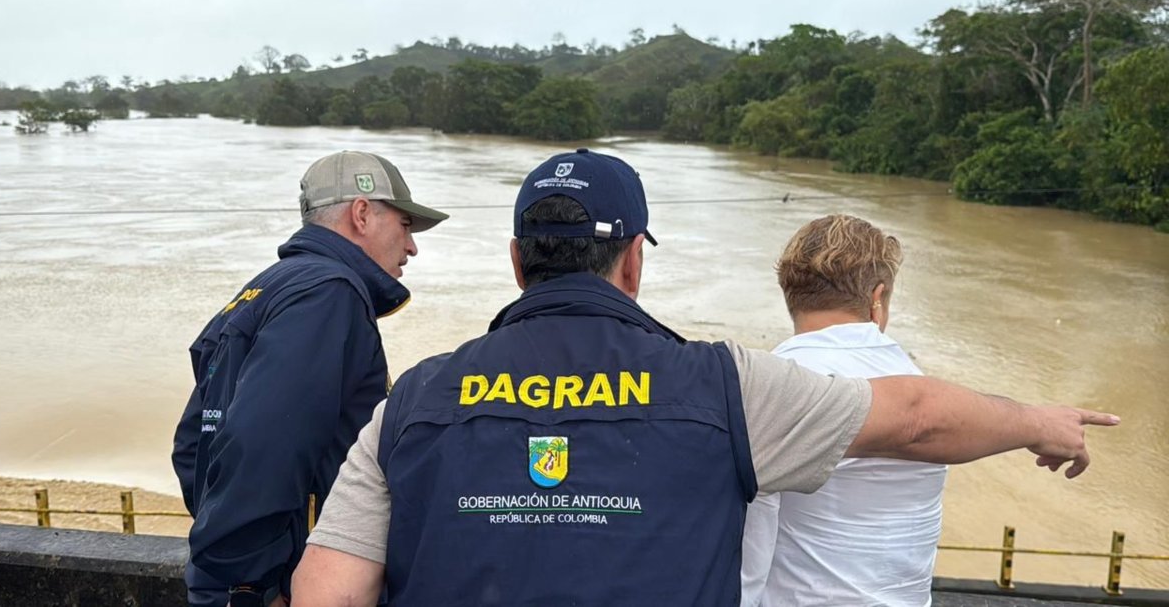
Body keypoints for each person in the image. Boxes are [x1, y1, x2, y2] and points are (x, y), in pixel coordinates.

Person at [290, 148, 1117, 607]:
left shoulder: (413, 399)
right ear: (633, 260)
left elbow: (327, 591)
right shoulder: (724, 385)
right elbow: (916, 416)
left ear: (516, 260)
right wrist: (1039, 422)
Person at [171, 150, 448, 607]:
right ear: (362, 213)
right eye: (404, 225)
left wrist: (221, 556)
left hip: (224, 583)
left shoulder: (266, 288)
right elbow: (263, 443)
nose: (412, 246)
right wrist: (258, 581)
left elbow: (192, 445)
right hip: (284, 584)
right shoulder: (328, 294)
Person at [741, 214, 944, 607]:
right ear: (877, 298)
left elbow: (750, 547)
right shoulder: (928, 392)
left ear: (790, 295)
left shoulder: (769, 385)